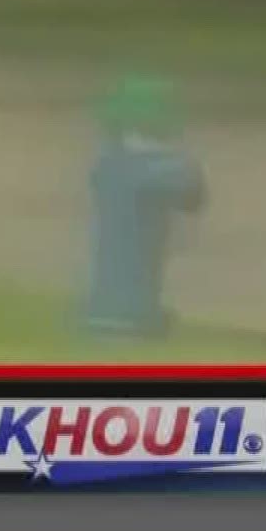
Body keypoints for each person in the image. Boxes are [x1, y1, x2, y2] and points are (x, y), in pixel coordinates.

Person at [82, 75, 207, 340]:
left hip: (95, 312)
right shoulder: (162, 170)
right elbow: (194, 196)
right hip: (135, 318)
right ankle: (136, 319)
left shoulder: (107, 165)